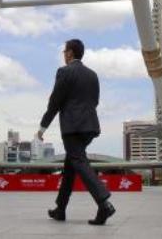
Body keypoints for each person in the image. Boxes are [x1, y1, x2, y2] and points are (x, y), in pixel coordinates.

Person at [38, 39, 115, 226]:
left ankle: (104, 203)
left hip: (72, 127)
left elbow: (55, 101)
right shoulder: (92, 75)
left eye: (65, 51)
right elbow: (95, 101)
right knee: (71, 166)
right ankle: (60, 209)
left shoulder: (64, 72)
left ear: (70, 53)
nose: (64, 54)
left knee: (79, 162)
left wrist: (42, 127)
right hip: (89, 126)